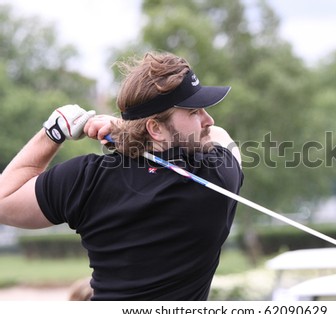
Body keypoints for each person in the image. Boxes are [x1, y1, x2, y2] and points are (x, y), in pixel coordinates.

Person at [0, 51, 243, 300]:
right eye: (194, 112)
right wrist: (125, 132)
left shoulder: (88, 178)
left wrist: (54, 131)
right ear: (156, 128)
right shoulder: (214, 180)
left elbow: (3, 200)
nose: (208, 120)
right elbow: (220, 136)